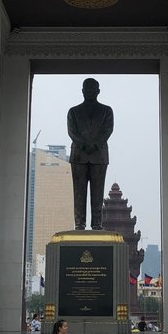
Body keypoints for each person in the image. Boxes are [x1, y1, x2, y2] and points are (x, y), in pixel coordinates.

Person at [67, 77, 114, 230]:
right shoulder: (73, 111)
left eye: (92, 89)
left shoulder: (106, 111)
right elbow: (71, 131)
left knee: (98, 193)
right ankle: (79, 224)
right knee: (79, 193)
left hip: (99, 155)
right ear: (82, 91)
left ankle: (97, 224)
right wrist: (83, 144)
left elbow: (108, 130)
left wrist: (94, 144)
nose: (89, 92)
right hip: (79, 156)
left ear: (98, 91)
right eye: (87, 89)